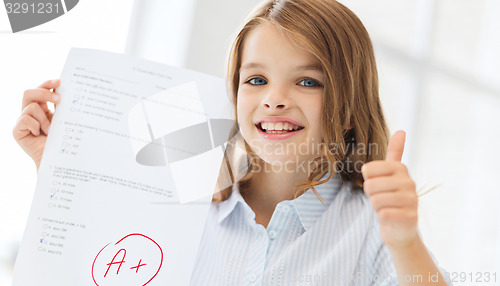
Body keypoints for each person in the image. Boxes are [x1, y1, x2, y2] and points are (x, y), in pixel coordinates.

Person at [13, 0, 452, 285]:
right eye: (256, 79)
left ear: (352, 103)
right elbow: (84, 269)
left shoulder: (371, 229)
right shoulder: (185, 201)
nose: (275, 99)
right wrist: (53, 171)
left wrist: (404, 242)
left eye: (307, 81)